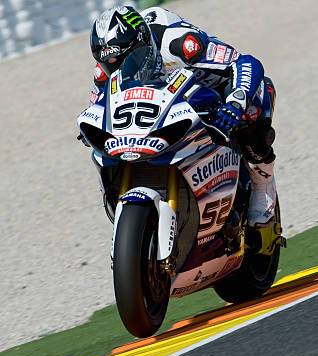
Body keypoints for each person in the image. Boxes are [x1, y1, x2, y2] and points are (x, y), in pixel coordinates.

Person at [88, 5, 277, 229]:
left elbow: (246, 64)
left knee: (251, 109)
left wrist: (235, 103)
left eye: (125, 58)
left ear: (142, 43)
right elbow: (101, 107)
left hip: (213, 89)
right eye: (110, 63)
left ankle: (262, 184)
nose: (119, 69)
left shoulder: (180, 44)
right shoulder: (105, 72)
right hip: (164, 103)